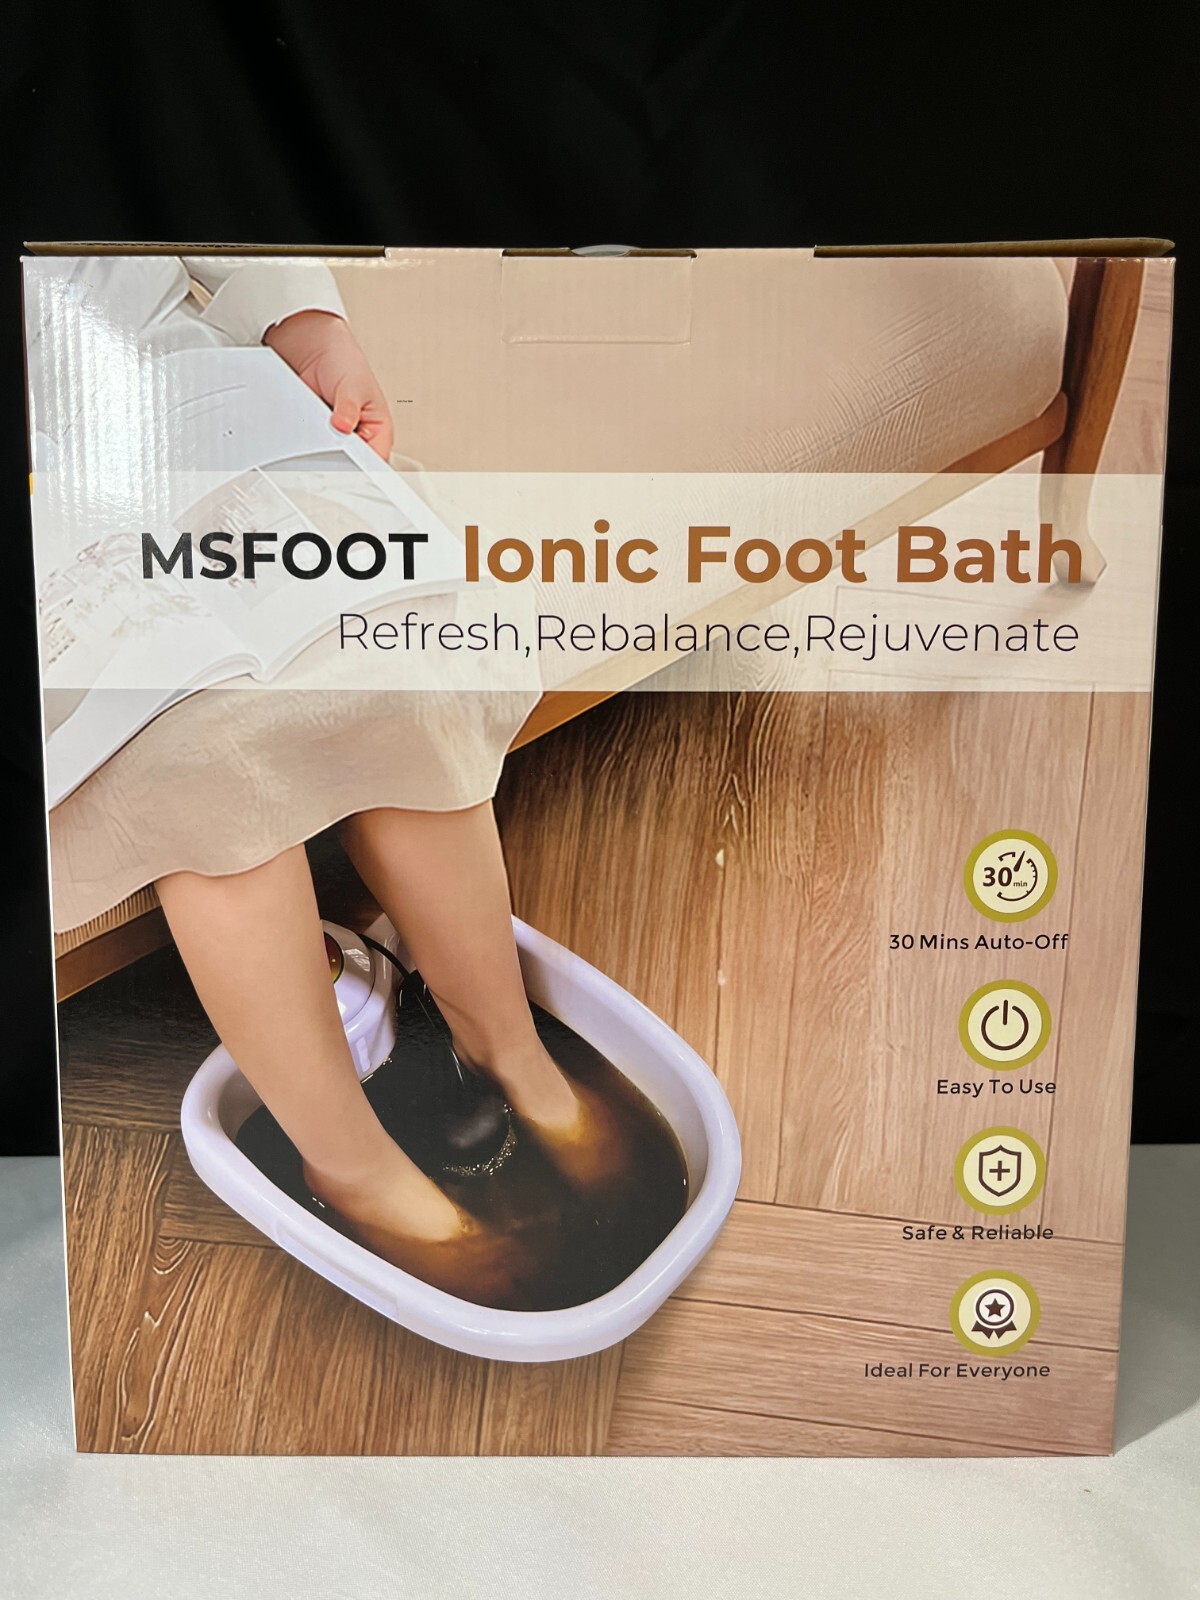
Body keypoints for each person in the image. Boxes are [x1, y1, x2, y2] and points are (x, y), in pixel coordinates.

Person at [33, 256, 619, 1301]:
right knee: (196, 758)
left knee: (392, 655)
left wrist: (307, 324)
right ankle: (349, 1162)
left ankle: (509, 1048)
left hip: (177, 391)